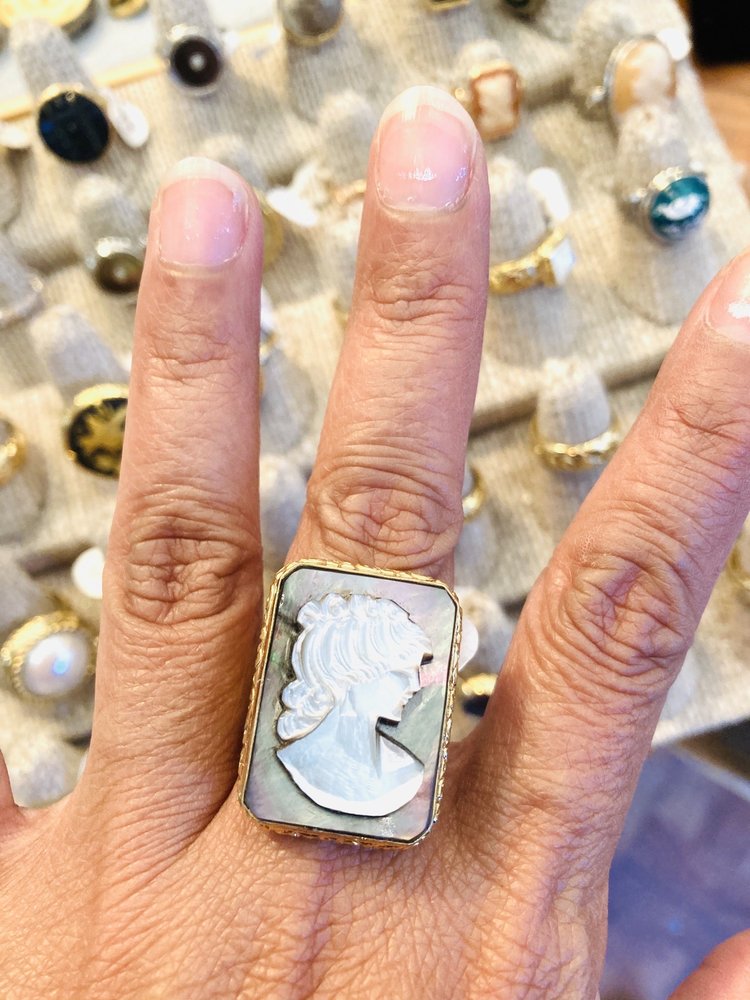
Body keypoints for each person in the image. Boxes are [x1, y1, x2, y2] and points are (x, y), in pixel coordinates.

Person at [1, 85, 748, 997]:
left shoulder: (383, 765)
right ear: (351, 670)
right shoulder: (352, 766)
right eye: (407, 664)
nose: (426, 681)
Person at [276, 593, 431, 816]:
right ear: (350, 675)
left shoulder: (407, 771)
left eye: (416, 672)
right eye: (400, 673)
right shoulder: (295, 761)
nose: (415, 685)